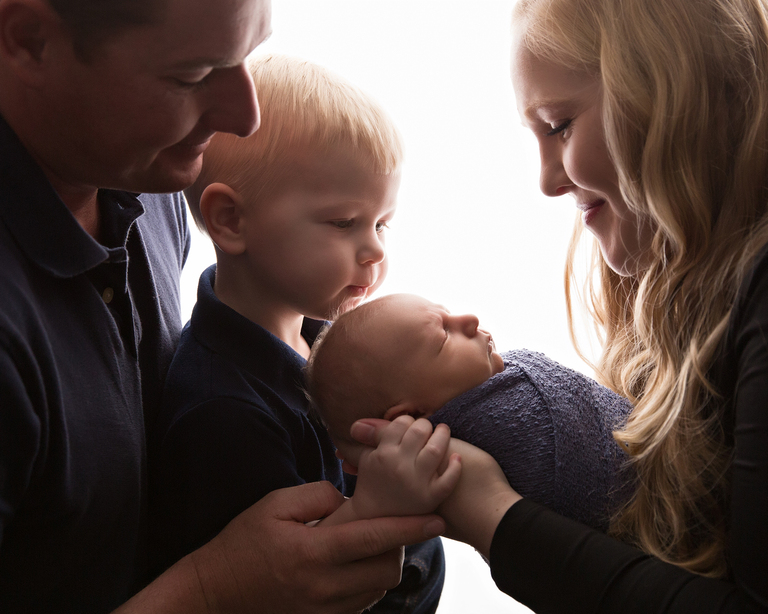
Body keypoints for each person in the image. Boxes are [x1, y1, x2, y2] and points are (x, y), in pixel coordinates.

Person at [0, 2, 446, 612]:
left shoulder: (145, 174)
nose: (245, 115)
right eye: (191, 76)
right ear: (28, 39)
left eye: (247, 54)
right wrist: (212, 589)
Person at [352, 0, 768, 610]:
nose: (548, 180)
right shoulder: (686, 297)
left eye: (558, 125)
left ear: (669, 93)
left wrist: (490, 514)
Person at [150, 53, 448, 614]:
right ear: (231, 221)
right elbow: (297, 583)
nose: (377, 250)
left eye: (382, 223)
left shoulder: (316, 334)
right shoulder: (225, 414)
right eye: (344, 223)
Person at [306, 292, 634, 532]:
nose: (470, 320)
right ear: (411, 418)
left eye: (447, 314)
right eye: (444, 336)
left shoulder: (503, 381)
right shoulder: (442, 461)